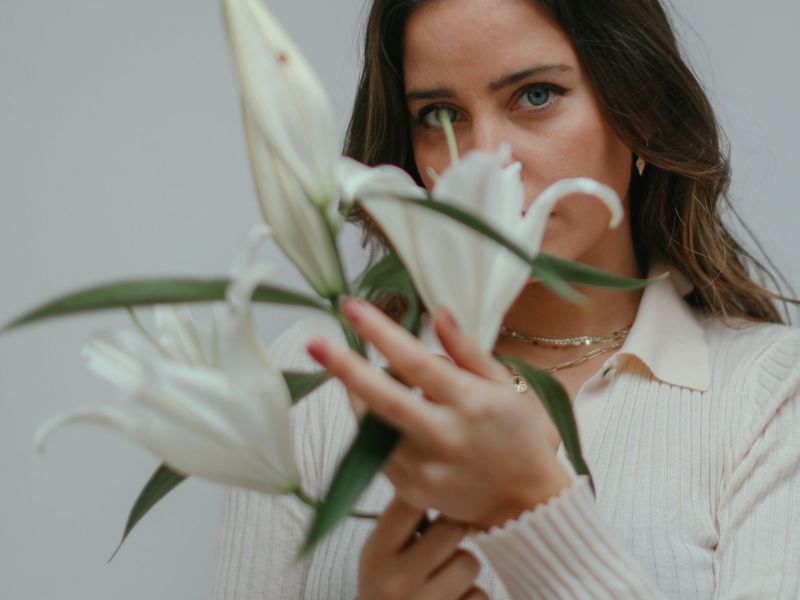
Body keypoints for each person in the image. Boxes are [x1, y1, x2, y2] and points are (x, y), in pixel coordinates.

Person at [212, 0, 800, 598]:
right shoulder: (317, 380)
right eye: (439, 114)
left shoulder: (772, 398)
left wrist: (530, 507)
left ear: (641, 110)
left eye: (537, 95)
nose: (486, 160)